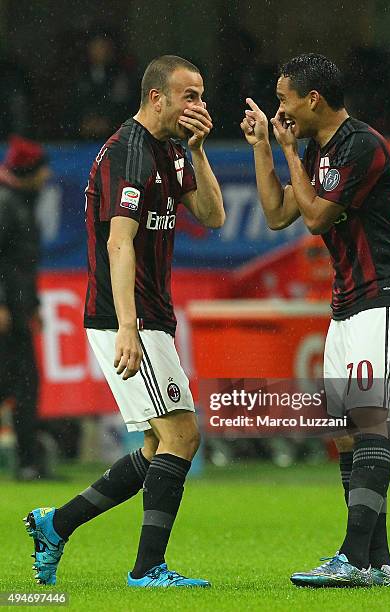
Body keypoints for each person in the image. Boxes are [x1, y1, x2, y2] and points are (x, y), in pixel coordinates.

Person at [25, 55, 225, 588]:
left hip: (150, 314)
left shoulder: (172, 151)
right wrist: (129, 327)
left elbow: (212, 215)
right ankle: (148, 569)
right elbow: (119, 242)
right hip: (126, 316)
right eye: (190, 96)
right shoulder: (129, 153)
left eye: (202, 96)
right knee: (182, 434)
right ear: (156, 97)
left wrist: (200, 153)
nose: (200, 106)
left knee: (159, 447)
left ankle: (55, 524)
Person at [241, 53, 390, 588]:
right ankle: (376, 563)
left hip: (385, 297)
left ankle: (352, 556)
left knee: (368, 420)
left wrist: (290, 151)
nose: (280, 110)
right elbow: (278, 215)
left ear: (312, 99)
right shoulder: (322, 152)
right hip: (348, 303)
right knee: (345, 433)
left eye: (283, 99)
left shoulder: (360, 145)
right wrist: (263, 151)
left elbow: (316, 216)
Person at [0, 135, 51, 480]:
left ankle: (30, 463)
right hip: (6, 313)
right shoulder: (6, 202)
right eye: (43, 169)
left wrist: (31, 306)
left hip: (18, 312)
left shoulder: (19, 200)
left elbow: (21, 265)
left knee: (23, 386)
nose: (47, 175)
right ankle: (28, 462)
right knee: (21, 385)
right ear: (30, 170)